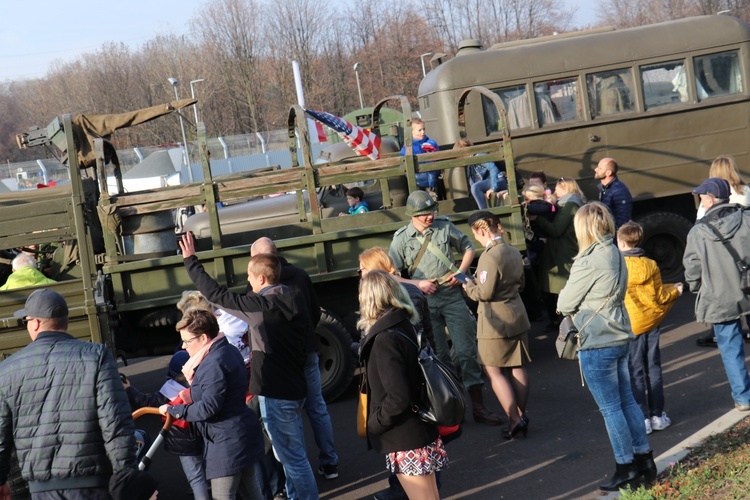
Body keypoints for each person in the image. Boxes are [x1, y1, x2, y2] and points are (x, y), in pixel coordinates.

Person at [178, 233, 319, 499]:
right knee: (293, 455)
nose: (247, 280)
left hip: (277, 394)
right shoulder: (292, 297)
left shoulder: (261, 307)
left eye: (250, 276)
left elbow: (215, 294)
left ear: (262, 279)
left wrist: (190, 260)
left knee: (293, 460)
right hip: (296, 387)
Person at [557, 203, 657, 491]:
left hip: (598, 340)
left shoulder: (587, 261)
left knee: (612, 409)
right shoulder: (614, 251)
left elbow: (564, 303)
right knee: (627, 403)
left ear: (583, 228)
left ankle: (625, 467)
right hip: (620, 334)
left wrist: (567, 294)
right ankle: (644, 461)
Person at [0, 289, 137, 498]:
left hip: (41, 489)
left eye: (26, 320)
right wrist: (126, 474)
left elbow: (1, 436)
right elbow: (115, 422)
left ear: (35, 323)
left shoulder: (8, 368)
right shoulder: (97, 356)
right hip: (94, 485)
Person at [389, 190, 503, 426]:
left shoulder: (444, 226)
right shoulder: (401, 239)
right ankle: (453, 408)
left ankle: (479, 407)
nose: (429, 217)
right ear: (412, 215)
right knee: (438, 357)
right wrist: (417, 284)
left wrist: (461, 271)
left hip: (451, 296)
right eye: (423, 214)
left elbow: (468, 246)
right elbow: (392, 275)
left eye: (431, 212)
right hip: (424, 301)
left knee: (467, 351)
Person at [250, 236, 339, 481]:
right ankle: (329, 462)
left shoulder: (259, 288)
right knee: (317, 407)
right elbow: (314, 311)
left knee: (288, 414)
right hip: (308, 350)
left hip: (280, 361)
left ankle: (298, 470)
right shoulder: (300, 276)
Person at [358, 270, 448, 500]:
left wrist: (374, 424)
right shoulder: (404, 324)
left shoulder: (384, 339)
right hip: (420, 430)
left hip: (405, 436)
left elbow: (398, 397)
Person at [159, 308, 265, 500]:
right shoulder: (228, 350)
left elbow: (209, 407)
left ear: (204, 338)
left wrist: (174, 410)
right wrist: (193, 396)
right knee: (252, 493)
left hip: (227, 443)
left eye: (188, 341)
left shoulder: (212, 363)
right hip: (241, 435)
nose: (183, 347)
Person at [463, 211, 532, 441]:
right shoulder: (513, 250)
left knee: (493, 370)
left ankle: (514, 419)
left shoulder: (489, 257)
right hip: (517, 314)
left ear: (481, 230)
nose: (476, 239)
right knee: (517, 366)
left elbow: (484, 293)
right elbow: (521, 284)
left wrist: (468, 285)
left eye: (475, 234)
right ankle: (522, 415)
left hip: (494, 322)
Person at [683, 178, 750, 411]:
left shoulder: (698, 232)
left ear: (710, 200)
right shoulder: (746, 218)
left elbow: (692, 269)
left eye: (702, 197)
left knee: (731, 349)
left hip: (720, 296)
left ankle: (743, 398)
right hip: (748, 287)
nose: (701, 201)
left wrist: (696, 287)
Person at [618, 221, 683, 434]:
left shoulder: (617, 266)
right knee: (653, 368)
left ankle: (642, 418)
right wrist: (675, 291)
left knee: (634, 371)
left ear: (620, 242)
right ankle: (657, 415)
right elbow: (659, 296)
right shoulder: (651, 265)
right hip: (652, 322)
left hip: (631, 325)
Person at [124, 350, 208, 500]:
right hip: (203, 434)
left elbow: (146, 402)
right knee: (206, 466)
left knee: (195, 478)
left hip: (182, 440)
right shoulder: (202, 384)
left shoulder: (171, 387)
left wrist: (129, 389)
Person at [694, 156, 750, 347]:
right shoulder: (746, 192)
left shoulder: (709, 199)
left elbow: (699, 228)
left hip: (719, 259)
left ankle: (717, 336)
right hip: (744, 257)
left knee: (726, 319)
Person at [531, 177, 585, 330]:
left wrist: (538, 219)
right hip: (561, 250)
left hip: (563, 252)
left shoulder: (569, 205)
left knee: (562, 289)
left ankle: (567, 324)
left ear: (566, 188)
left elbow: (556, 229)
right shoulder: (568, 203)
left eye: (558, 189)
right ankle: (561, 322)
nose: (554, 192)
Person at [456, 138, 508, 209]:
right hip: (488, 182)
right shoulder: (469, 165)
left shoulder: (479, 155)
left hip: (498, 180)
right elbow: (472, 182)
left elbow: (493, 169)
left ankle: (484, 213)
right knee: (474, 187)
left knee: (475, 187)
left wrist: (493, 188)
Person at [399, 118, 441, 195]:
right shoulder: (408, 147)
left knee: (435, 200)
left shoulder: (431, 143)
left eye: (424, 129)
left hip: (433, 180)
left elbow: (439, 158)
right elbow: (403, 165)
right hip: (417, 183)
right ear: (412, 132)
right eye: (420, 130)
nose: (423, 132)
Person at [595, 157, 633, 231]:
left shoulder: (619, 191)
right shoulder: (604, 188)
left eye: (600, 168)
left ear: (608, 173)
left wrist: (613, 236)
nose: (595, 169)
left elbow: (623, 219)